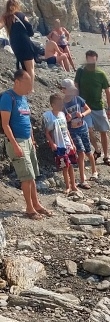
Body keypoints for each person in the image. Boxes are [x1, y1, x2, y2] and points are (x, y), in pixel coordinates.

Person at [0, 70, 51, 219]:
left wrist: (32, 139)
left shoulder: (23, 98)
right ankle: (29, 209)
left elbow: (27, 121)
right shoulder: (7, 98)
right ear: (17, 82)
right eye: (27, 83)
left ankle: (36, 204)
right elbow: (5, 124)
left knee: (32, 175)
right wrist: (15, 144)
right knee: (26, 177)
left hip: (28, 141)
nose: (30, 87)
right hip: (17, 141)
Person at [74, 50, 110, 166]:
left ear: (96, 60)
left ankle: (106, 156)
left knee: (103, 131)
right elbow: (76, 86)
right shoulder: (81, 71)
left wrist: (109, 108)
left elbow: (108, 91)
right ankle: (97, 149)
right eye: (89, 60)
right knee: (88, 130)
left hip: (98, 107)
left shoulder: (101, 74)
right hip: (85, 107)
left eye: (93, 60)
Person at [61, 78, 97, 187]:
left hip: (83, 128)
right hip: (73, 131)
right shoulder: (62, 105)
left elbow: (88, 109)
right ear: (63, 90)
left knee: (88, 152)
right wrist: (66, 119)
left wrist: (82, 115)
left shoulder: (77, 99)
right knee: (80, 153)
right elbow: (62, 120)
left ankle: (94, 171)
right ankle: (82, 179)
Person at [43, 93, 78, 195]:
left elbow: (66, 130)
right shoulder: (49, 116)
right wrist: (52, 143)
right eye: (59, 104)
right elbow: (47, 132)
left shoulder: (62, 115)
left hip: (68, 144)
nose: (61, 106)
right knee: (64, 166)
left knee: (71, 165)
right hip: (59, 145)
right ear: (53, 104)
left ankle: (74, 185)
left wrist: (72, 143)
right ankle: (67, 186)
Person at [0, 0, 36, 83]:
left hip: (14, 44)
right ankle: (30, 88)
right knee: (30, 67)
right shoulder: (21, 15)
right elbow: (30, 29)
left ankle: (23, 85)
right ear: (17, 5)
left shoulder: (5, 17)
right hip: (25, 41)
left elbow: (0, 25)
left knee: (22, 65)